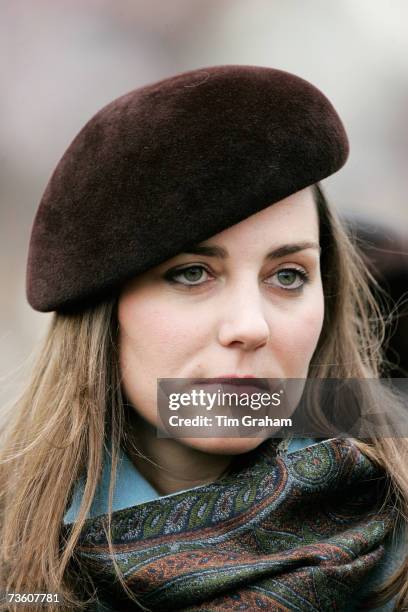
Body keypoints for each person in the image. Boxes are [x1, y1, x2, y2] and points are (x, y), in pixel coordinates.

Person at [0, 65, 407, 611]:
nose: (250, 326)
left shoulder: (396, 533)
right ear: (103, 309)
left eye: (287, 276)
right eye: (192, 273)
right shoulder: (17, 561)